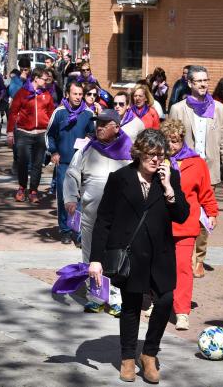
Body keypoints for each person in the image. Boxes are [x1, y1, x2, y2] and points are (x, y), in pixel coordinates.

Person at [88, 129, 189, 384]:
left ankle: (149, 353)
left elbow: (182, 215)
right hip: (131, 254)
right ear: (139, 153)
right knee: (131, 306)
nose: (155, 160)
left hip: (161, 253)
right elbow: (104, 220)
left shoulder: (169, 178)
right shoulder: (120, 178)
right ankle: (127, 359)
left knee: (166, 300)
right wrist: (96, 258)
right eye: (150, 154)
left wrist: (168, 189)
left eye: (160, 155)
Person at [63, 109, 133, 315]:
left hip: (120, 217)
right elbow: (72, 174)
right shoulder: (87, 149)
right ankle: (95, 298)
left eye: (104, 124)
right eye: (97, 124)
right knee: (90, 256)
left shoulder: (129, 150)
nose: (99, 127)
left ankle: (115, 299)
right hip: (91, 215)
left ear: (117, 128)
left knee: (116, 257)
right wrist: (70, 198)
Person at [169, 64, 223, 278]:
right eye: (199, 81)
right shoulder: (179, 109)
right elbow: (171, 140)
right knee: (185, 214)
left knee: (205, 217)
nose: (204, 84)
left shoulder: (219, 109)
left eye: (206, 80)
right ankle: (184, 255)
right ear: (189, 83)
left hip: (210, 171)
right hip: (184, 170)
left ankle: (199, 257)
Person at [160, 119, 218, 331]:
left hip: (185, 223)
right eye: (168, 141)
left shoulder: (196, 162)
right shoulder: (157, 161)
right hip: (161, 223)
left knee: (183, 268)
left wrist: (211, 212)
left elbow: (205, 192)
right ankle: (160, 303)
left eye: (175, 141)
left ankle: (182, 311)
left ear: (182, 139)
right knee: (159, 267)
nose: (171, 146)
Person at [47, 81, 95, 244]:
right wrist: (53, 151)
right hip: (65, 163)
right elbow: (49, 135)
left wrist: (89, 138)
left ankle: (80, 231)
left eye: (80, 94)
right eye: (75, 94)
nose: (78, 97)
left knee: (83, 198)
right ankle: (65, 230)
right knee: (64, 198)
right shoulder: (59, 113)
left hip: (83, 163)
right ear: (67, 94)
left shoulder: (88, 114)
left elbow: (93, 133)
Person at [7, 66, 55, 204]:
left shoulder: (47, 94)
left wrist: (52, 131)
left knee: (37, 164)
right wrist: (10, 132)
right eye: (44, 80)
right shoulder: (22, 93)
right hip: (23, 133)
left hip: (41, 133)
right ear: (36, 78)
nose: (46, 82)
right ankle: (22, 188)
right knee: (22, 162)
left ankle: (34, 190)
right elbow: (13, 113)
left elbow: (51, 113)